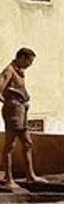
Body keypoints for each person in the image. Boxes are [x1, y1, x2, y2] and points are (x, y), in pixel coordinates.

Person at [1, 48, 43, 188]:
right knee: (10, 145)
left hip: (21, 110)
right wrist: (9, 101)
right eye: (29, 61)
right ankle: (8, 178)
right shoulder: (9, 70)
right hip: (13, 111)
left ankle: (30, 176)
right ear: (21, 58)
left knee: (27, 143)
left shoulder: (19, 71)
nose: (30, 64)